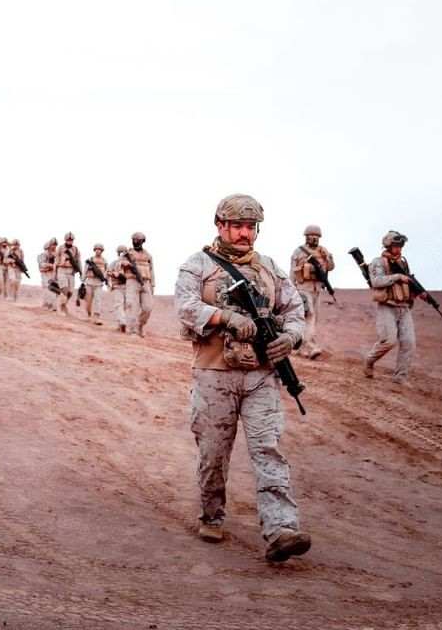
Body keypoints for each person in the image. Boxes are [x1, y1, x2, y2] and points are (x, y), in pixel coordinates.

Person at [174, 193, 310, 562]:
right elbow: (184, 306)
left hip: (262, 377)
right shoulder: (197, 265)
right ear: (220, 226)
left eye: (251, 227)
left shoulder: (270, 268)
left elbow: (296, 310)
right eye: (237, 226)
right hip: (214, 374)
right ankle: (212, 514)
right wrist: (225, 317)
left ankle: (282, 529)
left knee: (269, 450)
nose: (245, 234)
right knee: (214, 452)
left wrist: (290, 337)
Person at [364, 231, 425, 386]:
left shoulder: (403, 263)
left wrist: (418, 293)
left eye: (400, 246)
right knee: (389, 341)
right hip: (387, 306)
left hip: (404, 308)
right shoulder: (378, 262)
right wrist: (397, 277)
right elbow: (376, 281)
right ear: (388, 246)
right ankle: (369, 360)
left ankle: (400, 376)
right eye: (396, 246)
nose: (399, 249)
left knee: (409, 343)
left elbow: (408, 281)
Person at [290, 224, 335, 359]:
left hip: (317, 289)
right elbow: (293, 271)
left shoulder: (323, 251)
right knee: (310, 315)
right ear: (306, 236)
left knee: (314, 319)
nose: (314, 238)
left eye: (316, 236)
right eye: (311, 236)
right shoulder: (299, 252)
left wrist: (327, 258)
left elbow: (331, 267)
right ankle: (311, 346)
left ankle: (303, 348)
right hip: (304, 288)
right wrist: (291, 289)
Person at [122, 232, 155, 337]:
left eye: (138, 240)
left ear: (142, 241)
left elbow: (152, 270)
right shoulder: (127, 253)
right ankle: (134, 330)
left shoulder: (148, 255)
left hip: (145, 282)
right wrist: (123, 263)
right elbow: (117, 264)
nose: (135, 242)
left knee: (148, 308)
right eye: (134, 240)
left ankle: (140, 325)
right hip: (132, 282)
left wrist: (152, 285)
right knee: (133, 306)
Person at [54, 232, 81, 315]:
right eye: (68, 240)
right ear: (65, 240)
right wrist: (54, 272)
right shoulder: (60, 248)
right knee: (64, 289)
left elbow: (78, 261)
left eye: (71, 240)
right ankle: (61, 307)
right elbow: (56, 261)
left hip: (71, 271)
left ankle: (63, 303)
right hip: (61, 270)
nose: (70, 241)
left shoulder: (75, 249)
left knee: (70, 292)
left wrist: (81, 272)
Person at [82, 243, 108, 324]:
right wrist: (83, 281)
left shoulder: (104, 261)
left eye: (99, 249)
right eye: (96, 249)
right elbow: (85, 270)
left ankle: (96, 317)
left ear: (102, 251)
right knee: (88, 300)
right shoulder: (90, 259)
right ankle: (88, 314)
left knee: (98, 300)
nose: (98, 251)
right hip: (89, 282)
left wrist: (106, 280)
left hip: (99, 283)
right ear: (94, 250)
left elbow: (107, 272)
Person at [107, 245, 129, 331]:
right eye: (120, 252)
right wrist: (113, 274)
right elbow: (107, 272)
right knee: (119, 304)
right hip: (118, 286)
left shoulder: (131, 263)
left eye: (124, 252)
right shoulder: (114, 263)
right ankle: (122, 323)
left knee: (126, 306)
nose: (122, 254)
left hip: (129, 287)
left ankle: (121, 323)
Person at [38, 238, 59, 310]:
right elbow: (42, 265)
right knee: (47, 287)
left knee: (54, 290)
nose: (54, 247)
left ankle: (53, 306)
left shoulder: (57, 254)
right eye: (52, 245)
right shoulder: (42, 255)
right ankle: (47, 304)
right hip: (45, 273)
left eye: (55, 245)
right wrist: (51, 265)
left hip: (53, 273)